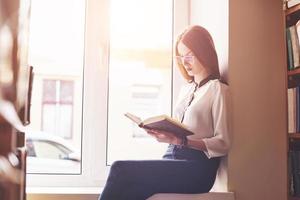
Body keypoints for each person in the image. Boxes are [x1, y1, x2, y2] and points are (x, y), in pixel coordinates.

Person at [99, 25, 231, 200]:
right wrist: (165, 134)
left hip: (197, 168)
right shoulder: (186, 90)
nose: (185, 62)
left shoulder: (218, 90)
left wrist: (182, 141)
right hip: (171, 157)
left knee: (119, 168)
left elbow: (223, 143)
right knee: (130, 192)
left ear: (204, 52)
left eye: (190, 55)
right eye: (181, 56)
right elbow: (178, 132)